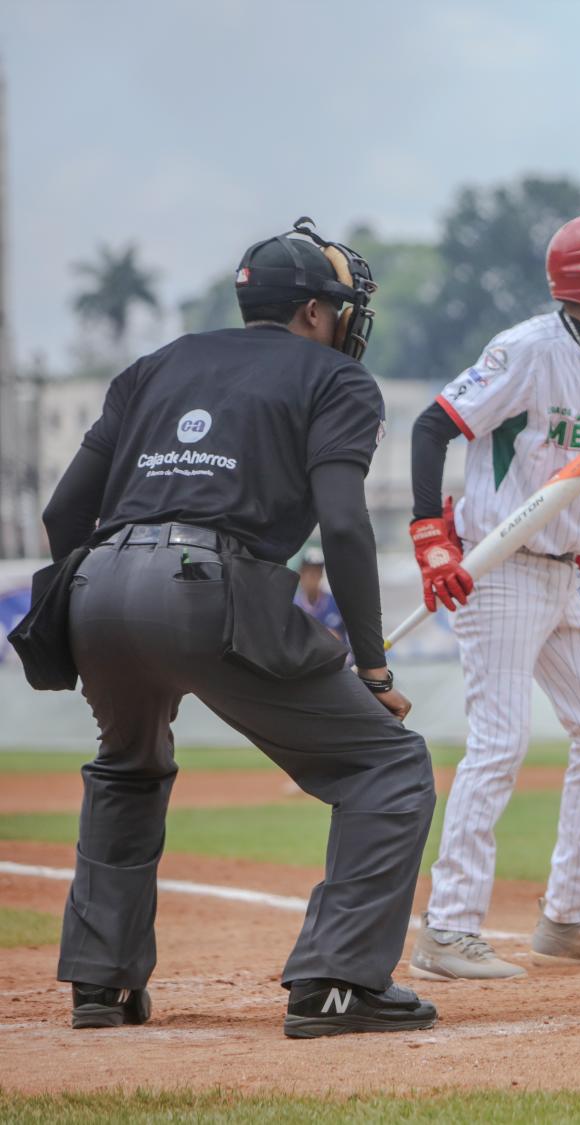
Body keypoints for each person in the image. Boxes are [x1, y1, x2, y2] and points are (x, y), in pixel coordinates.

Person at [36, 218, 436, 1038]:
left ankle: (100, 986)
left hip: (97, 579)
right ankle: (337, 983)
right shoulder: (334, 379)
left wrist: (93, 598)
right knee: (389, 768)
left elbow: (63, 510)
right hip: (208, 584)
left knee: (127, 767)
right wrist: (373, 669)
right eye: (343, 304)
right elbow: (346, 527)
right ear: (316, 314)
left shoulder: (157, 365)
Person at [404, 211, 580, 980]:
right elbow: (432, 426)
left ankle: (567, 915)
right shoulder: (525, 349)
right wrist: (432, 536)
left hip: (563, 575)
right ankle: (448, 931)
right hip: (503, 569)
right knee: (499, 741)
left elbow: (576, 474)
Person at [293, 546, 349, 660]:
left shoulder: (336, 603)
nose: (311, 576)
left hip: (338, 664)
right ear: (300, 573)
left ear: (321, 574)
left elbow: (339, 639)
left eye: (315, 572)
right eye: (307, 571)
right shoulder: (293, 606)